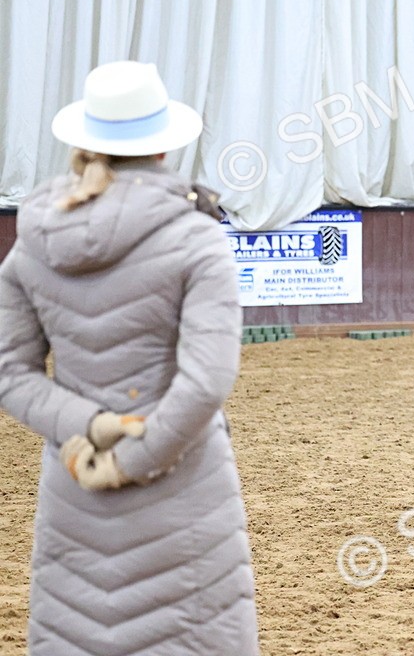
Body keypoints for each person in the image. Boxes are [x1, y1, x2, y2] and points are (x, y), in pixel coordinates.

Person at [0, 61, 259, 654]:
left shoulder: (35, 238)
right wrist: (132, 459)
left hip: (74, 485)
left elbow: (8, 371)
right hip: (184, 492)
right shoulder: (197, 239)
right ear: (164, 150)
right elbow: (205, 382)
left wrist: (88, 427)